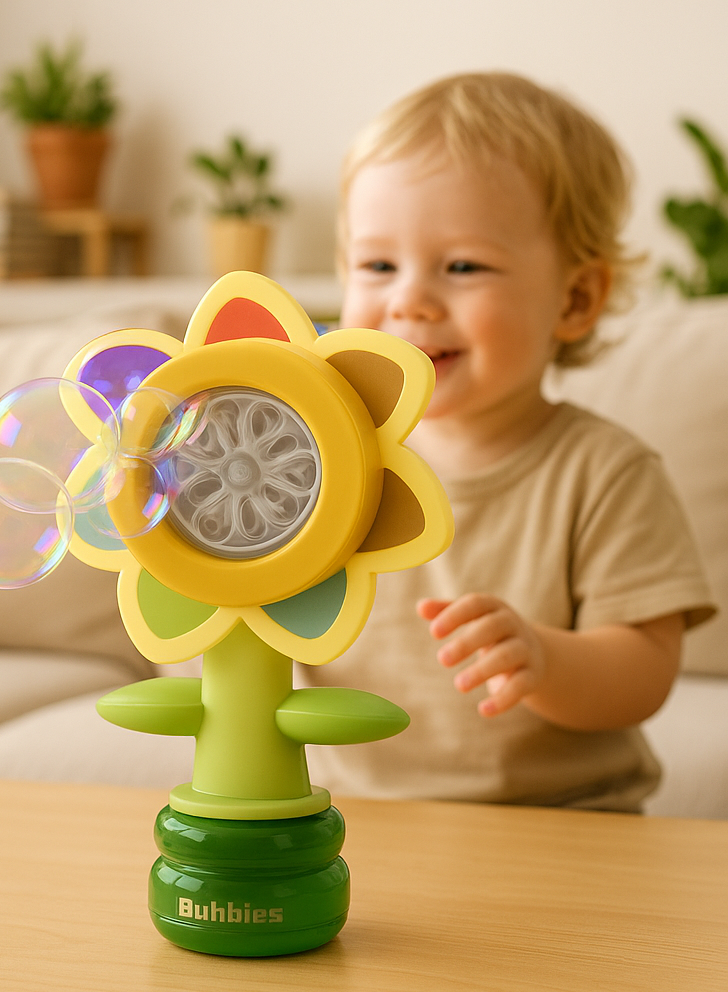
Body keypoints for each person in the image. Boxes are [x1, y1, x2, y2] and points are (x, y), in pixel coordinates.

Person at [302, 71, 716, 811]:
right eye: (377, 266)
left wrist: (545, 659)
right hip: (352, 820)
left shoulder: (603, 472)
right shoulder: (322, 455)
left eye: (462, 266)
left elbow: (647, 670)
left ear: (576, 298)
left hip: (565, 827)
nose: (409, 300)